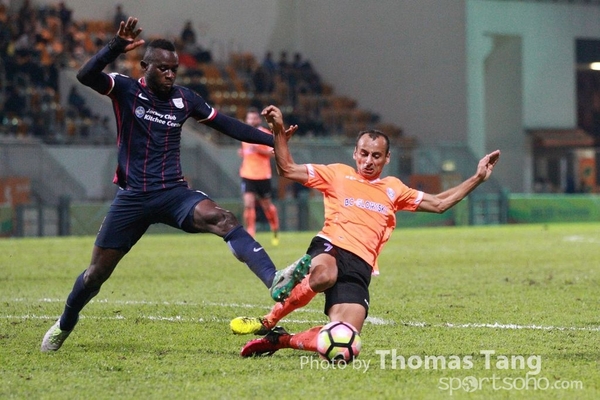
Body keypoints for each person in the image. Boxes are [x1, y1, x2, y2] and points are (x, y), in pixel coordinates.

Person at [40, 18, 311, 352]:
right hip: (132, 198)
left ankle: (274, 278)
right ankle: (65, 323)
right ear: (145, 67)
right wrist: (114, 46)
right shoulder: (125, 89)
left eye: (174, 70)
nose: (170, 75)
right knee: (95, 274)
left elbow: (227, 125)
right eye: (164, 69)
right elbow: (85, 76)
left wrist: (273, 139)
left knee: (224, 218)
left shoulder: (185, 99)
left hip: (173, 193)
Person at [231, 105, 501, 358]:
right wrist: (279, 130)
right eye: (363, 153)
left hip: (361, 264)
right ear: (355, 153)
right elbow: (287, 169)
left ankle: (280, 340)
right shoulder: (337, 174)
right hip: (330, 246)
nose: (368, 161)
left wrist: (477, 178)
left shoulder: (394, 188)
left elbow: (440, 203)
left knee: (346, 343)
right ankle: (269, 319)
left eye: (376, 155)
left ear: (387, 158)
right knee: (324, 275)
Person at [239, 107, 280, 246]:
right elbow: (246, 152)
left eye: (254, 118)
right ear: (246, 120)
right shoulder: (243, 134)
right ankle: (251, 233)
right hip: (247, 174)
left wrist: (258, 149)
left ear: (258, 120)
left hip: (263, 175)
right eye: (249, 118)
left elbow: (273, 152)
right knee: (248, 204)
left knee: (267, 207)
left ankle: (275, 228)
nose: (252, 120)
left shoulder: (265, 134)